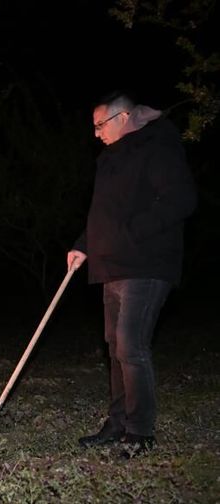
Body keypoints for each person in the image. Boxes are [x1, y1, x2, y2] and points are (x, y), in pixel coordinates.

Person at [68, 92, 197, 458]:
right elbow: (103, 214)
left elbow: (181, 199)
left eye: (99, 125)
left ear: (123, 117)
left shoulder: (157, 147)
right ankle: (119, 423)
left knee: (130, 344)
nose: (95, 134)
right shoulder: (110, 159)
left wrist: (129, 235)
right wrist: (83, 244)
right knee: (115, 347)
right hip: (113, 265)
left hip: (146, 263)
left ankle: (141, 432)